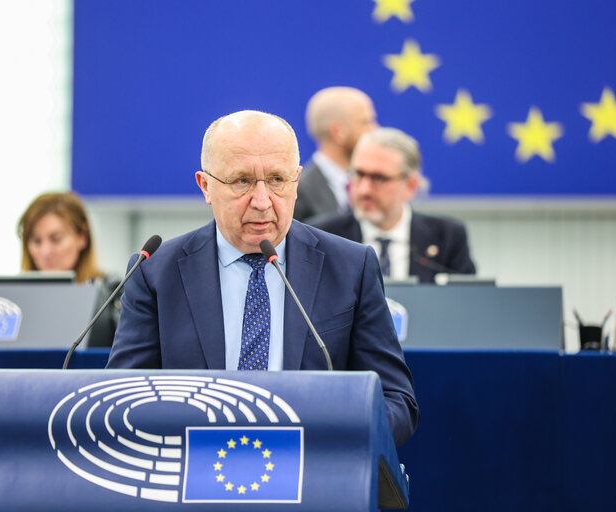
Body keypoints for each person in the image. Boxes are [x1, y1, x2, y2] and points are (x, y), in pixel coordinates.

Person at [106, 110, 418, 446]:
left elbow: (396, 400)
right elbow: (122, 399)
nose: (262, 201)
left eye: (277, 180)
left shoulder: (351, 266)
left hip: (314, 478)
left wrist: (335, 439)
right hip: (189, 477)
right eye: (241, 181)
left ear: (296, 181)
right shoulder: (155, 272)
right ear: (206, 186)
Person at [310, 127, 476, 283]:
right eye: (359, 174)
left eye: (379, 178)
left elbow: (465, 304)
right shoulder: (322, 236)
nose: (364, 189)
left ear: (410, 185)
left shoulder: (447, 237)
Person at [17, 192, 121, 347]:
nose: (45, 252)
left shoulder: (112, 293)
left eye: (56, 239)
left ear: (83, 237)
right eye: (36, 241)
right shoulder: (15, 302)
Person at [293, 86, 378, 222]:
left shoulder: (369, 186)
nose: (375, 129)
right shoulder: (297, 194)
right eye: (365, 122)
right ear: (338, 132)